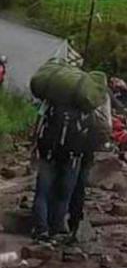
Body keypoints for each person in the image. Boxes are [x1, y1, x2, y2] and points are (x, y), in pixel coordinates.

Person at [31, 102, 99, 242]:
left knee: (42, 192)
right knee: (63, 195)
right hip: (72, 156)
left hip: (49, 154)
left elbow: (39, 122)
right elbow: (95, 130)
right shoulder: (85, 105)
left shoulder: (51, 100)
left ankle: (41, 229)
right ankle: (56, 230)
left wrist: (35, 145)